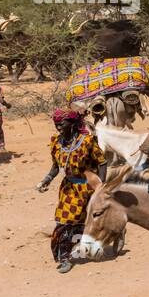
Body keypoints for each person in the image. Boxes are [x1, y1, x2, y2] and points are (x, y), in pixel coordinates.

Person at [36, 109, 105, 273]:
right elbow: (55, 167)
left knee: (83, 222)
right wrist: (46, 180)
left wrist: (101, 186)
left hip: (87, 187)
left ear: (73, 124)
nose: (58, 125)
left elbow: (102, 162)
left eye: (62, 122)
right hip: (68, 188)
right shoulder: (56, 142)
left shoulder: (87, 141)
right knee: (64, 222)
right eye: (56, 123)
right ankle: (65, 258)